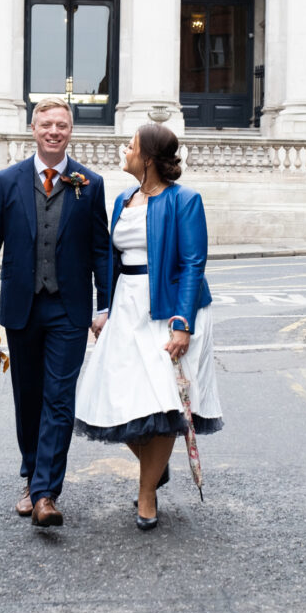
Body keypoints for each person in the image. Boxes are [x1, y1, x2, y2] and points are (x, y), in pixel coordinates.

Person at [0, 98, 109, 528]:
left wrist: (104, 306)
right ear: (33, 128)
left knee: (59, 400)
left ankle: (45, 493)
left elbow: (101, 250)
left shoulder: (89, 184)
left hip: (69, 309)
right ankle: (30, 474)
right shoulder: (7, 181)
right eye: (47, 124)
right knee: (29, 399)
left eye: (62, 125)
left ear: (71, 131)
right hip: (22, 307)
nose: (54, 131)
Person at [74, 123, 223, 530]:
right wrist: (104, 308)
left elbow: (193, 263)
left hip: (169, 309)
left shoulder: (185, 200)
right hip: (127, 307)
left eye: (132, 145)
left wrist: (183, 323)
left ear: (149, 159)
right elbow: (112, 260)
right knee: (117, 397)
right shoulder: (123, 199)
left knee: (162, 401)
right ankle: (154, 468)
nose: (125, 149)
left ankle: (145, 495)